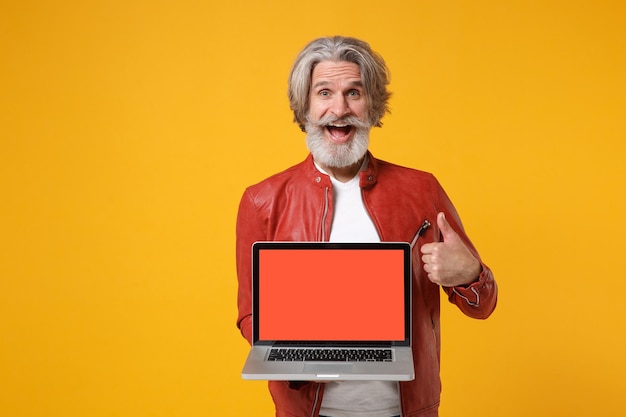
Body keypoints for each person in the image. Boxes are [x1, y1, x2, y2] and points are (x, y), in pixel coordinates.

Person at [235, 36, 498, 417]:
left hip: (405, 410)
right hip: (305, 411)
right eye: (324, 92)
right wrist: (296, 343)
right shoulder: (261, 200)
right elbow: (249, 314)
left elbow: (483, 306)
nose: (339, 109)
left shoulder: (422, 190)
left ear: (372, 106)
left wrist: (470, 274)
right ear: (305, 106)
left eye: (353, 93)